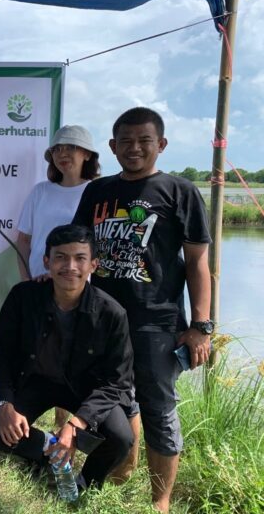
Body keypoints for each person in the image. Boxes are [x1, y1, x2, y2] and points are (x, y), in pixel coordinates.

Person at [72, 106, 212, 512]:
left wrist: (201, 324)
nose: (134, 149)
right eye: (126, 142)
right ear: (113, 147)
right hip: (102, 319)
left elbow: (198, 262)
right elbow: (81, 250)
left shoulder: (179, 191)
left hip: (157, 321)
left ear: (161, 145)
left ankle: (160, 503)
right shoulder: (96, 192)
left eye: (144, 141)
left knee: (158, 408)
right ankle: (121, 471)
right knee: (114, 399)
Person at [0, 224, 134, 491]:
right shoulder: (23, 297)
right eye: (60, 257)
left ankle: (84, 483)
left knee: (121, 439)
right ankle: (48, 450)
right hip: (35, 380)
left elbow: (116, 382)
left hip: (84, 388)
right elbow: (3, 353)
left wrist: (76, 425)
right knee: (1, 434)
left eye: (80, 258)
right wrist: (5, 402)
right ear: (47, 261)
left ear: (93, 264)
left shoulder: (112, 313)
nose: (70, 266)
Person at [16, 124, 101, 430]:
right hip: (41, 285)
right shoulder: (41, 191)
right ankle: (24, 419)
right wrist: (27, 278)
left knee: (76, 356)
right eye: (58, 149)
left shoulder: (98, 191)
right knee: (38, 352)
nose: (63, 155)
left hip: (83, 290)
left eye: (71, 148)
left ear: (87, 154)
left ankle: (69, 425)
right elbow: (22, 240)